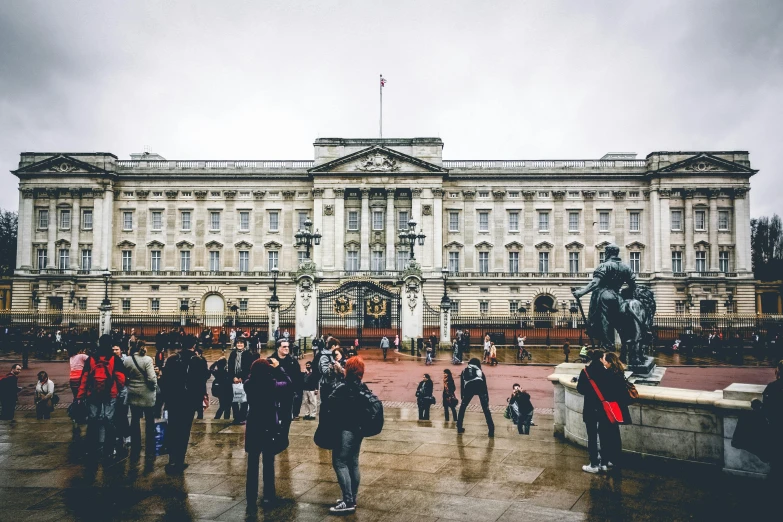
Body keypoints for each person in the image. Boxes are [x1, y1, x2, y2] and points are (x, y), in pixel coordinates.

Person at [244, 357, 292, 511]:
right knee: (268, 463)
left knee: (252, 464)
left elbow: (252, 378)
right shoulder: (271, 384)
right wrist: (278, 369)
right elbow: (289, 384)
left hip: (253, 426)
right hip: (268, 426)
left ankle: (250, 497)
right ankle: (268, 496)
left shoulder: (248, 384)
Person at [161, 334, 210, 473]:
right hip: (189, 401)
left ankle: (171, 460)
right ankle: (179, 461)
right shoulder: (199, 361)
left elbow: (164, 381)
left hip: (173, 400)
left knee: (173, 428)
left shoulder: (172, 359)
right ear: (194, 346)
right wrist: (202, 398)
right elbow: (203, 380)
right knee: (184, 430)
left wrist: (166, 399)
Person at [328, 356, 368, 515]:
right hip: (358, 430)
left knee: (339, 462)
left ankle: (348, 501)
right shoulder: (362, 386)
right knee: (353, 462)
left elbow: (329, 402)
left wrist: (336, 378)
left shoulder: (343, 387)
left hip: (345, 429)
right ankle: (352, 497)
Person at [77, 335, 127, 460]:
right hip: (110, 393)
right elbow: (121, 379)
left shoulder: (92, 358)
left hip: (93, 394)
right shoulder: (114, 359)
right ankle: (109, 449)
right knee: (108, 420)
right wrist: (120, 391)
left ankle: (91, 447)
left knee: (93, 420)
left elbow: (84, 378)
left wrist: (80, 395)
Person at [577, 349, 610, 473]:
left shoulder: (585, 371)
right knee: (604, 435)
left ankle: (594, 464)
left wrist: (590, 393)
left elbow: (580, 389)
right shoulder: (606, 371)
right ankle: (604, 463)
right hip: (603, 407)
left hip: (590, 406)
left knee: (592, 435)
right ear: (601, 358)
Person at [124, 342, 157, 456]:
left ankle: (136, 445)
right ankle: (150, 445)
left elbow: (124, 376)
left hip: (133, 393)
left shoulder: (127, 360)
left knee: (134, 420)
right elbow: (152, 378)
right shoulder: (147, 360)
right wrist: (154, 387)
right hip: (146, 394)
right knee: (149, 421)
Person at [600, 351, 631, 470]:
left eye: (603, 359)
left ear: (608, 362)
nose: (602, 360)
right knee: (614, 434)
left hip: (609, 408)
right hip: (617, 408)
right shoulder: (619, 372)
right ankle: (616, 459)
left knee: (605, 434)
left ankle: (606, 460)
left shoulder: (607, 374)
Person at [456, 358, 494, 436]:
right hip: (480, 386)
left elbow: (462, 385)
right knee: (485, 410)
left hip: (469, 388)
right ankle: (491, 429)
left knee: (462, 408)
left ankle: (459, 427)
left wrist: (462, 396)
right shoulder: (480, 371)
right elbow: (485, 385)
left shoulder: (464, 371)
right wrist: (486, 398)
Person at [268, 338, 301, 428]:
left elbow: (297, 378)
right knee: (273, 418)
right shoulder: (270, 361)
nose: (287, 348)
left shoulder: (293, 361)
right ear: (278, 348)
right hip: (274, 393)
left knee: (286, 418)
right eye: (284, 347)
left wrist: (296, 392)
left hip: (288, 393)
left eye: (288, 347)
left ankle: (283, 439)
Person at [761, 360, 783, 482]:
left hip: (777, 431)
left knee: (776, 466)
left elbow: (766, 411)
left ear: (778, 371)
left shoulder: (772, 387)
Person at [227, 338, 258, 423]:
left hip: (244, 380)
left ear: (244, 344)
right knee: (234, 399)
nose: (239, 344)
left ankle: (243, 417)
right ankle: (236, 418)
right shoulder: (233, 354)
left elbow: (249, 368)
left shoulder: (248, 354)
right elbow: (230, 367)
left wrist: (242, 378)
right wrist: (233, 377)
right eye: (238, 343)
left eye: (241, 343)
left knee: (244, 400)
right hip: (234, 380)